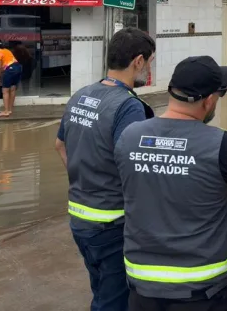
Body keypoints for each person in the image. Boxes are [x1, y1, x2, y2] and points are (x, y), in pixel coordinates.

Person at [115, 56, 227, 311]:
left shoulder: (129, 137)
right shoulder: (223, 144)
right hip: (206, 292)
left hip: (143, 289)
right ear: (209, 100)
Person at [54, 28, 156, 311]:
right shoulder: (129, 106)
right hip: (113, 224)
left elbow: (59, 145)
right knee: (114, 302)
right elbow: (134, 167)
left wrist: (84, 181)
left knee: (101, 290)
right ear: (138, 61)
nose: (148, 69)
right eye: (149, 63)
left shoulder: (81, 95)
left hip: (79, 217)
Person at [0, 38, 23, 118]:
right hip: (18, 67)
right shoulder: (6, 50)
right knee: (12, 89)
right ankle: (9, 110)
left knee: (5, 91)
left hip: (10, 70)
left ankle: (6, 111)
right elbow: (4, 65)